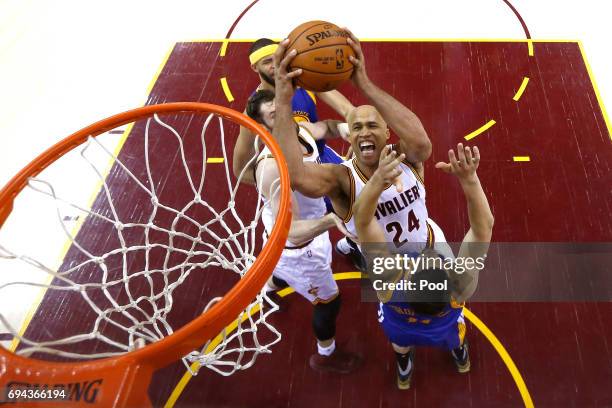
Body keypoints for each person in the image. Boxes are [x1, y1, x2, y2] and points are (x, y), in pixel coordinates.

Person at [270, 29, 437, 258]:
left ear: (388, 132)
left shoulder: (403, 157)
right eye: (357, 127)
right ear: (350, 135)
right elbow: (295, 176)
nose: (364, 132)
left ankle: (350, 245)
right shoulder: (342, 179)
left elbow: (422, 144)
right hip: (390, 269)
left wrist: (364, 83)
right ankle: (353, 246)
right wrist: (282, 100)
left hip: (429, 241)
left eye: (372, 125)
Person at [353, 143, 494, 389]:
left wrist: (378, 178)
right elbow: (483, 229)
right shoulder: (460, 288)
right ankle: (460, 357)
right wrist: (470, 180)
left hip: (398, 327)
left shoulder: (388, 285)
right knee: (456, 339)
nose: (428, 254)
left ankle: (404, 367)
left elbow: (363, 222)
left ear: (408, 277)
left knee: (400, 343)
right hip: (442, 330)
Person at [247, 88, 362, 374]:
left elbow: (328, 128)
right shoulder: (272, 167)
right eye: (274, 115)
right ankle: (326, 355)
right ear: (262, 126)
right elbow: (290, 232)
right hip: (297, 247)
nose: (282, 116)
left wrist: (349, 129)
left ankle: (268, 287)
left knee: (277, 272)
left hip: (302, 229)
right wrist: (332, 221)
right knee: (329, 303)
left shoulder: (296, 129)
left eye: (282, 108)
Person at [232, 38, 365, 271]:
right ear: (255, 68)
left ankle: (351, 246)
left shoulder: (304, 80)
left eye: (277, 59)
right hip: (296, 176)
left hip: (321, 154)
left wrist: (352, 128)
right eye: (267, 62)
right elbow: (240, 170)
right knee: (304, 230)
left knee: (361, 203)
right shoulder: (255, 111)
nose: (275, 65)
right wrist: (284, 179)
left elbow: (348, 111)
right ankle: (284, 272)